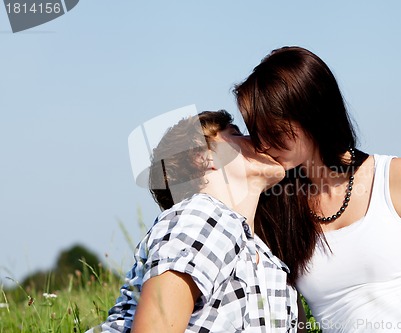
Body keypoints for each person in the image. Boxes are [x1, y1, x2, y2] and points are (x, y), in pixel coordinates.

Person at [233, 46, 401, 332]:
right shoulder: (274, 209)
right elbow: (186, 174)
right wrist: (238, 150)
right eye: (253, 132)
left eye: (272, 131)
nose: (262, 143)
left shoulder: (397, 177)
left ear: (310, 113)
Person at [86, 110, 299, 332]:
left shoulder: (268, 260)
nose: (256, 140)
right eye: (236, 134)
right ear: (204, 157)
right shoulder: (202, 217)